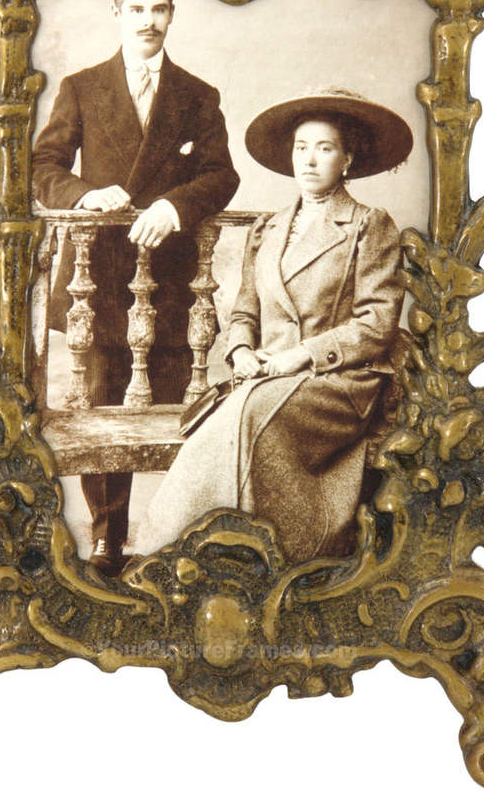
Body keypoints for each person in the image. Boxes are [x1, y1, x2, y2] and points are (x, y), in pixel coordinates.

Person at [127, 90, 412, 563]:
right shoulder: (269, 229)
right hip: (267, 375)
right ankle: (173, 556)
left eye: (324, 148)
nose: (310, 160)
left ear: (346, 160)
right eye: (301, 147)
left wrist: (298, 357)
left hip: (339, 380)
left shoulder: (368, 225)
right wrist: (241, 352)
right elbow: (244, 313)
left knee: (249, 412)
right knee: (232, 415)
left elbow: (377, 323)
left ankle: (256, 555)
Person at [32, 0, 239, 575]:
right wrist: (83, 194)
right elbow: (43, 165)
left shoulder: (198, 95)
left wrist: (175, 206)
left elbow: (222, 174)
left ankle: (176, 539)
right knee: (101, 409)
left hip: (170, 279)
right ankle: (106, 538)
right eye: (138, 9)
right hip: (97, 278)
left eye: (160, 9)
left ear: (171, 15)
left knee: (174, 412)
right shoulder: (81, 87)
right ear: (117, 14)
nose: (149, 21)